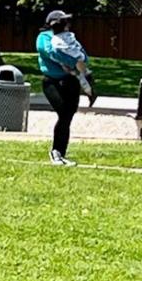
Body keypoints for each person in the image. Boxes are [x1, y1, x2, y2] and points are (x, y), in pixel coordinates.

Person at [36, 9, 95, 166]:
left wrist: (78, 62)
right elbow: (50, 53)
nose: (67, 25)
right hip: (52, 81)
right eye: (63, 22)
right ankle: (56, 152)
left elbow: (83, 56)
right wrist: (74, 62)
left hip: (71, 81)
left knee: (67, 116)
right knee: (63, 112)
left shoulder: (69, 37)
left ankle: (60, 153)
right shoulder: (44, 37)